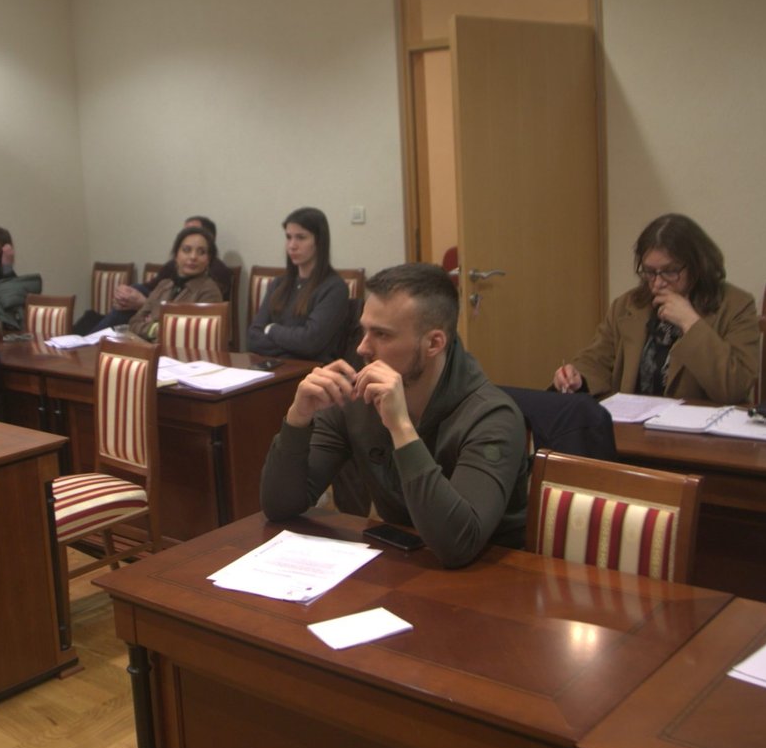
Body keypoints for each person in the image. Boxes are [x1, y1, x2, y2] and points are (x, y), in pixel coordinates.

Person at [261, 263, 527, 568]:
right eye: (364, 330)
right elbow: (280, 506)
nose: (362, 348)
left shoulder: (493, 417)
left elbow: (458, 544)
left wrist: (401, 427)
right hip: (405, 566)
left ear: (434, 343)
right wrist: (298, 417)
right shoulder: (358, 397)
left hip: (492, 577)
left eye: (382, 335)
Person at [553, 213, 758, 404]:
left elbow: (736, 387)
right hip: (633, 425)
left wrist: (690, 322)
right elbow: (596, 360)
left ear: (697, 266)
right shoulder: (627, 305)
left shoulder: (736, 305)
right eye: (650, 272)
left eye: (670, 271)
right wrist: (577, 377)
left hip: (698, 427)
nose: (658, 283)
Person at [246, 206, 349, 363]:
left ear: (319, 241)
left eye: (301, 237)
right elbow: (253, 338)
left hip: (313, 372)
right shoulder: (279, 284)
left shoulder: (334, 288)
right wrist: (292, 349)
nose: (292, 245)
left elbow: (310, 342)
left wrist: (271, 329)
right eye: (288, 237)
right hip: (274, 367)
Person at [112, 226, 224, 341]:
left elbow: (190, 334)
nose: (193, 257)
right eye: (186, 250)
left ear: (208, 259)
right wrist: (155, 328)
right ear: (176, 255)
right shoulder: (164, 285)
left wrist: (154, 325)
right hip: (149, 349)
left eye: (201, 252)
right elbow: (134, 324)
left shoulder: (209, 291)